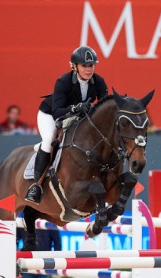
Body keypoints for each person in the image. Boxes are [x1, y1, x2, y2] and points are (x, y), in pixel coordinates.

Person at [25, 46, 108, 204]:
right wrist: (75, 108)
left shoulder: (99, 81)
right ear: (74, 66)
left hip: (77, 118)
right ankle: (37, 186)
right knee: (49, 140)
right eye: (84, 65)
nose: (88, 69)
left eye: (91, 65)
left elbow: (104, 105)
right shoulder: (63, 81)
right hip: (51, 115)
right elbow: (57, 113)